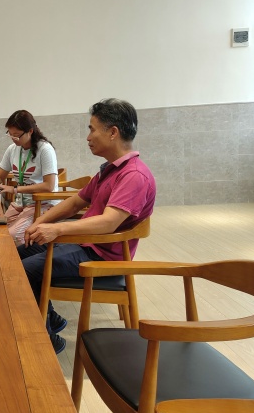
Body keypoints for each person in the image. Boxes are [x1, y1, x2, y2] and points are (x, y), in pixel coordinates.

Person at [18, 98, 156, 354]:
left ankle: (47, 341)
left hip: (103, 255)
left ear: (113, 132)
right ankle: (51, 318)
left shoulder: (133, 175)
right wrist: (40, 222)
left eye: (92, 129)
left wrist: (57, 229)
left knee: (25, 270)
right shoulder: (110, 170)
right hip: (86, 244)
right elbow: (74, 203)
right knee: (17, 252)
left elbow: (109, 222)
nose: (88, 137)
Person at [0, 110, 58, 245]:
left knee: (12, 236)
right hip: (21, 203)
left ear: (30, 131)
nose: (13, 138)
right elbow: (0, 176)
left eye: (17, 135)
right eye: (10, 134)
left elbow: (49, 186)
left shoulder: (45, 149)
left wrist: (15, 190)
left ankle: (21, 257)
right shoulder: (13, 149)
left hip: (41, 204)